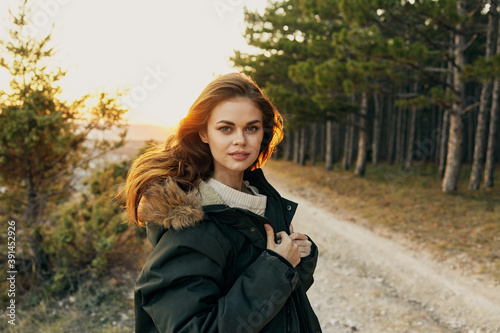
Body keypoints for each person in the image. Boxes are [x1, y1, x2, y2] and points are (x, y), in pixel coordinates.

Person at [122, 72, 322, 332]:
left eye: (251, 128)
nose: (240, 140)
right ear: (204, 133)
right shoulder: (192, 226)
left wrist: (298, 261)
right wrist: (276, 269)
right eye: (226, 128)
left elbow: (277, 307)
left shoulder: (261, 203)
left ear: (263, 133)